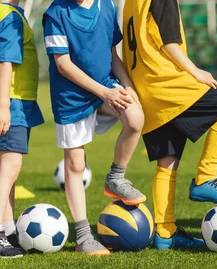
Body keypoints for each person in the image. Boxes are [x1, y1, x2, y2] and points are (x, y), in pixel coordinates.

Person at [122, 0, 217, 250]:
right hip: (167, 83)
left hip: (146, 89)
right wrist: (195, 71)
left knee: (167, 159)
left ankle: (165, 233)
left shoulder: (130, 3)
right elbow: (170, 43)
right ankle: (205, 178)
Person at [43, 0, 147, 255]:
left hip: (104, 85)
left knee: (135, 118)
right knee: (76, 163)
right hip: (71, 96)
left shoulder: (107, 5)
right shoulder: (56, 13)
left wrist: (127, 86)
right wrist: (105, 93)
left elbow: (112, 55)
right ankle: (83, 236)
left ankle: (116, 178)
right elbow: (62, 65)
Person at [0, 0, 44, 258]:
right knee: (9, 169)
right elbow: (6, 60)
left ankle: (8, 229)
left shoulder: (7, 12)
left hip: (12, 101)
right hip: (12, 102)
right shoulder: (11, 16)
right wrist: (4, 105)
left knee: (7, 171)